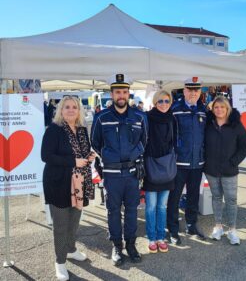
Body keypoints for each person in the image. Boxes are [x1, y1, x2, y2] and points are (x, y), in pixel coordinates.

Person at [91, 73, 148, 266]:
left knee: (132, 210)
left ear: (129, 93)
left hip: (132, 174)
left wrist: (134, 154)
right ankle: (116, 246)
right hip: (112, 174)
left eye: (124, 91)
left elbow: (144, 141)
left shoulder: (139, 116)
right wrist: (108, 157)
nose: (121, 95)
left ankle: (131, 245)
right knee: (113, 211)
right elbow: (95, 143)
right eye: (117, 92)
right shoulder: (102, 117)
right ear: (112, 94)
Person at [41, 96, 95, 281]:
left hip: (79, 183)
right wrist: (73, 161)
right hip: (58, 183)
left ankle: (71, 249)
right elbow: (46, 156)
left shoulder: (81, 129)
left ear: (79, 110)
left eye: (74, 107)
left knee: (74, 220)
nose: (71, 110)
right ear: (60, 110)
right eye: (67, 107)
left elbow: (83, 152)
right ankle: (60, 262)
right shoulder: (54, 130)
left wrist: (89, 156)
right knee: (61, 225)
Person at [204, 96, 246, 245]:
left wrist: (234, 162)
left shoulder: (236, 125)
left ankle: (232, 229)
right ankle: (218, 227)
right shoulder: (208, 124)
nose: (219, 110)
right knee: (216, 198)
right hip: (211, 169)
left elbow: (245, 146)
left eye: (222, 107)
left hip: (229, 170)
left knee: (231, 200)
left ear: (227, 108)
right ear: (212, 109)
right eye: (216, 107)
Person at [167, 77, 207, 245]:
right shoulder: (174, 110)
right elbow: (168, 135)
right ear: (184, 91)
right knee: (174, 197)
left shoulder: (204, 111)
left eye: (196, 90)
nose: (193, 93)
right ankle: (173, 230)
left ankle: (191, 224)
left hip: (197, 162)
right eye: (190, 90)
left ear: (199, 92)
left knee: (193, 195)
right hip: (179, 162)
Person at [143, 90, 175, 254]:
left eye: (167, 101)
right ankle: (151, 237)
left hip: (167, 167)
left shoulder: (172, 118)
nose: (164, 104)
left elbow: (174, 141)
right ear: (155, 102)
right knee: (151, 206)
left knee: (162, 206)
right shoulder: (147, 118)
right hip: (151, 167)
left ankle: (161, 237)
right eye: (161, 101)